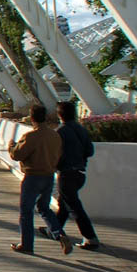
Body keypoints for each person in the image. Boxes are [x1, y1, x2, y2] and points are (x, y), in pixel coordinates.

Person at [8, 104, 72, 255]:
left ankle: (27, 244)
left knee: (26, 211)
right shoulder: (55, 136)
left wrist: (11, 146)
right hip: (48, 176)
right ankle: (59, 234)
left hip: (33, 177)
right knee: (44, 208)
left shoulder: (31, 136)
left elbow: (17, 154)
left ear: (32, 118)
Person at [42, 101, 100, 250]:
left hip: (67, 174)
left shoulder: (60, 132)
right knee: (64, 203)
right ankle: (53, 230)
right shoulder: (82, 130)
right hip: (80, 173)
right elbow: (90, 151)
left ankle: (90, 237)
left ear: (60, 115)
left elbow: (55, 153)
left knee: (74, 207)